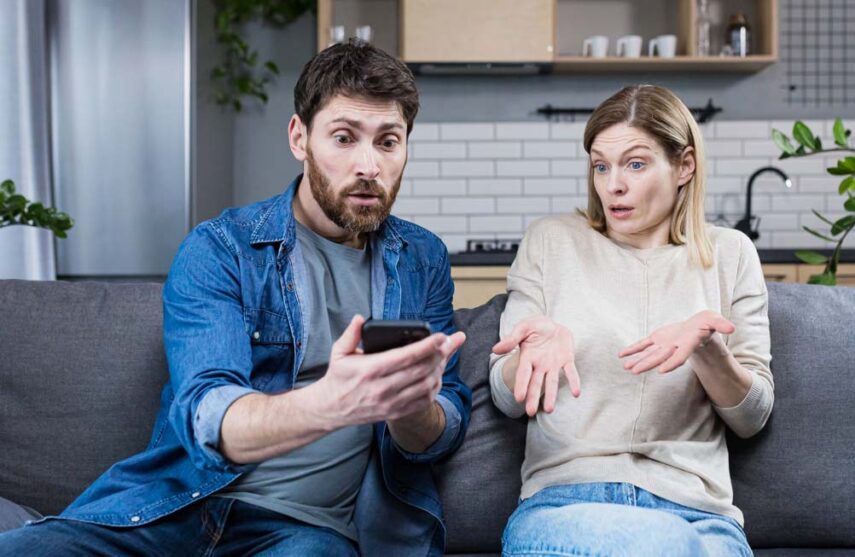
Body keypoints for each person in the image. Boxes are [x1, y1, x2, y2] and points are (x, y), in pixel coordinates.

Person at [0, 39, 471, 556]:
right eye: (343, 137)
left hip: (302, 533)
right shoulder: (222, 247)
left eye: (387, 142)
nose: (369, 165)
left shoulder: (421, 258)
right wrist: (334, 402)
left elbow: (438, 431)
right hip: (175, 511)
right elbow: (209, 415)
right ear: (300, 137)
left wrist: (411, 408)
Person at [489, 84, 773, 556]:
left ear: (684, 165)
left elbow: (752, 417)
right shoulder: (550, 242)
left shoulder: (730, 254)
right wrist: (530, 355)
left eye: (635, 165)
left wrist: (707, 350)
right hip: (565, 507)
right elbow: (505, 397)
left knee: (679, 544)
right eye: (601, 166)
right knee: (666, 546)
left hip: (697, 513)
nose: (612, 185)